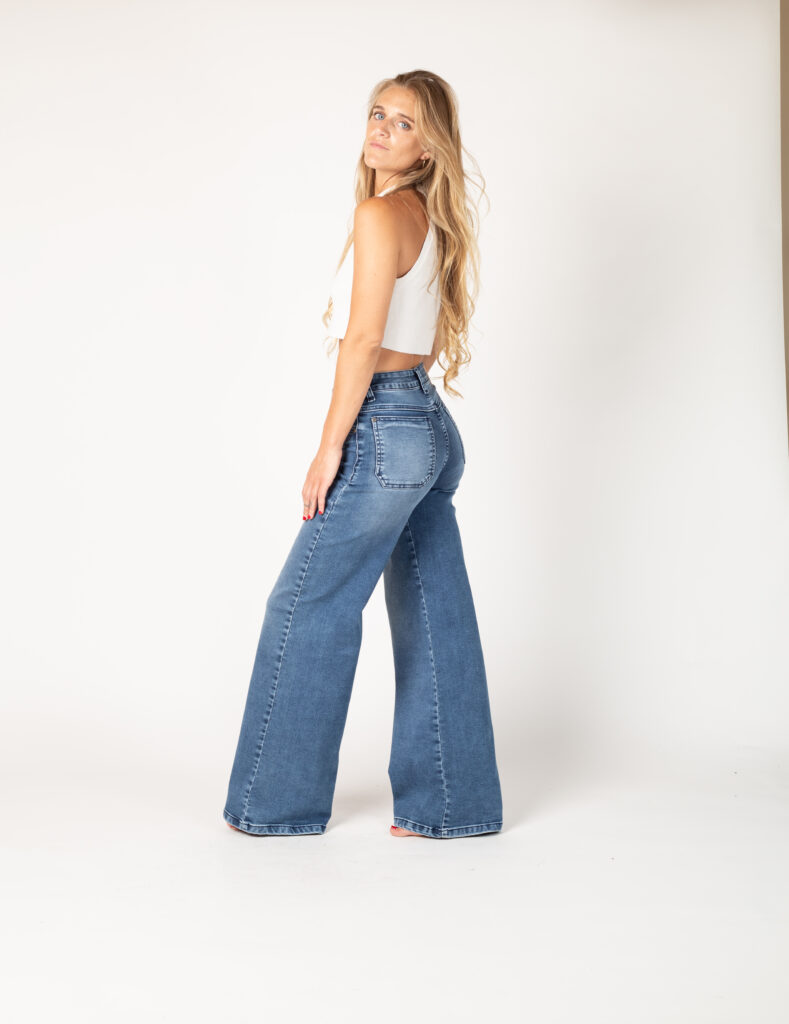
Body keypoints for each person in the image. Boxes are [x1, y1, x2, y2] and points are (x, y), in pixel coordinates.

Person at [222, 70, 503, 839]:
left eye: (403, 123)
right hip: (427, 425)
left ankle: (275, 805)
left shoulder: (380, 213)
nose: (380, 129)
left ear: (427, 147)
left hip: (384, 427)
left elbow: (364, 339)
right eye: (377, 113)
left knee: (306, 604)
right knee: (435, 609)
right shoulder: (430, 217)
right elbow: (415, 339)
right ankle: (453, 806)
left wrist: (329, 447)